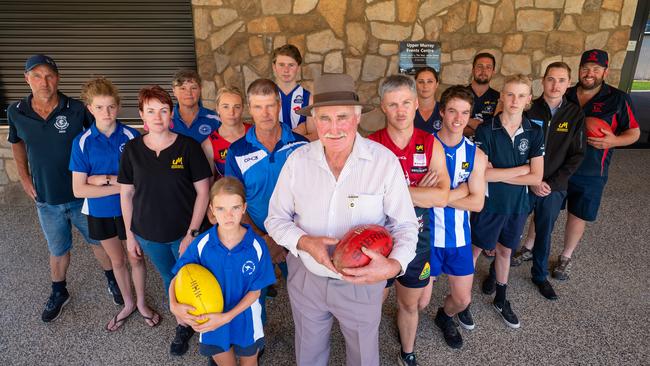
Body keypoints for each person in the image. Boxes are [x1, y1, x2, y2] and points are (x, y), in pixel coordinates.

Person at [265, 74, 419, 366]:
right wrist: (304, 241)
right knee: (308, 356)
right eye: (324, 118)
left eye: (342, 117)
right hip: (306, 279)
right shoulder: (298, 162)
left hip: (362, 284)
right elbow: (276, 218)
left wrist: (394, 265)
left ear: (358, 116)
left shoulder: (383, 162)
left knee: (363, 357)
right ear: (313, 120)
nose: (333, 128)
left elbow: (405, 225)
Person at [7, 54, 118, 323]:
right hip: (46, 198)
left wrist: (98, 178)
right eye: (36, 76)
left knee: (99, 243)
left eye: (49, 76)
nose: (43, 82)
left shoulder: (77, 108)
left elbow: (99, 138)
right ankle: (59, 291)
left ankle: (114, 280)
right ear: (27, 79)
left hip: (83, 196)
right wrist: (23, 176)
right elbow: (17, 142)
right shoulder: (16, 111)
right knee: (58, 250)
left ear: (57, 78)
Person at [118, 85, 212, 355]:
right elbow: (127, 194)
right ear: (142, 115)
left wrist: (191, 234)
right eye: (151, 111)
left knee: (198, 280)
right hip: (149, 235)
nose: (157, 117)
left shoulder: (189, 147)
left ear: (171, 113)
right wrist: (131, 235)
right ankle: (183, 324)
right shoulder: (132, 150)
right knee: (171, 279)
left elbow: (203, 191)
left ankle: (209, 327)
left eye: (163, 110)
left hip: (187, 234)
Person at [368, 75, 450, 365]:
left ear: (416, 104)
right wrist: (418, 192)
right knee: (370, 304)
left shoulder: (430, 143)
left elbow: (441, 197)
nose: (400, 110)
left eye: (405, 102)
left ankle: (407, 352)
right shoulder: (371, 144)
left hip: (418, 238)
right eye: (393, 104)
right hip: (377, 242)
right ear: (383, 107)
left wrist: (392, 192)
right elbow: (365, 196)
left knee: (411, 303)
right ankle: (366, 351)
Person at [70, 77, 161, 331]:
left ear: (118, 106)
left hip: (129, 211)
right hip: (100, 213)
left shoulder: (132, 136)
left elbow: (143, 182)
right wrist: (121, 184)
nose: (106, 112)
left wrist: (104, 180)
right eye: (99, 107)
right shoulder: (82, 142)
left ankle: (142, 303)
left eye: (110, 106)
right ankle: (128, 303)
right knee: (117, 261)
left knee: (135, 257)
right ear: (89, 108)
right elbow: (79, 189)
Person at [548, 49, 639, 280]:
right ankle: (529, 247)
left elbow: (634, 133)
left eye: (596, 69)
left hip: (591, 170)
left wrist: (615, 140)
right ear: (579, 70)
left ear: (605, 72)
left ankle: (565, 257)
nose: (590, 73)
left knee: (577, 214)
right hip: (558, 165)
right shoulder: (564, 94)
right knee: (545, 208)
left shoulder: (618, 98)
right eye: (586, 68)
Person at [225, 78, 308, 319]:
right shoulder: (238, 151)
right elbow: (235, 201)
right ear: (250, 108)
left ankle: (306, 342)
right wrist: (263, 239)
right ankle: (256, 343)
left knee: (303, 294)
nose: (265, 113)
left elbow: (310, 195)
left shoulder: (301, 145)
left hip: (294, 235)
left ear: (279, 106)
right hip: (255, 235)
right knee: (254, 298)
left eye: (271, 105)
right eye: (259, 107)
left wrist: (283, 239)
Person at [170, 177, 275, 366]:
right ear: (211, 210)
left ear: (244, 208)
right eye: (221, 209)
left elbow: (256, 291)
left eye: (235, 207)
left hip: (246, 318)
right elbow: (180, 276)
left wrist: (226, 317)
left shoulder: (257, 246)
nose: (228, 215)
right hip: (210, 318)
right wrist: (173, 304)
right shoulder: (202, 244)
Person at [471, 75, 545, 329]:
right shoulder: (485, 129)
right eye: (510, 94)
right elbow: (481, 174)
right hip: (489, 204)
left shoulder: (535, 131)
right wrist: (521, 169)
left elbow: (536, 176)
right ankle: (463, 300)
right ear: (501, 96)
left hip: (517, 206)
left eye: (521, 95)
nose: (515, 100)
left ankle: (501, 298)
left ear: (528, 100)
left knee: (505, 251)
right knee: (476, 249)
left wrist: (505, 172)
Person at [510, 62, 585, 300]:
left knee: (544, 231)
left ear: (568, 84)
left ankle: (540, 276)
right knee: (510, 229)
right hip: (524, 182)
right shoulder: (528, 110)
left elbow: (577, 155)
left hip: (552, 187)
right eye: (551, 79)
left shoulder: (574, 114)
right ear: (542, 81)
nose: (555, 85)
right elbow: (515, 148)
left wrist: (550, 183)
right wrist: (530, 179)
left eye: (561, 80)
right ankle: (496, 274)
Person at [431, 86, 487, 348]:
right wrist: (460, 191)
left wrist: (441, 196)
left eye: (465, 113)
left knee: (463, 300)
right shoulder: (425, 145)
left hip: (459, 238)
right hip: (427, 237)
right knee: (416, 301)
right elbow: (413, 196)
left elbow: (476, 204)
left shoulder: (475, 155)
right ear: (442, 111)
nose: (457, 119)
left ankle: (444, 316)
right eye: (452, 111)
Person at [202, 86, 252, 178]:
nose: (231, 112)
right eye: (225, 107)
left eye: (237, 107)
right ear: (217, 108)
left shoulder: (255, 132)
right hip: (229, 191)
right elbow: (209, 184)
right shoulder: (209, 144)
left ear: (242, 108)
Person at [271, 44, 317, 141]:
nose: (286, 70)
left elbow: (314, 137)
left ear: (298, 68)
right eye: (281, 64)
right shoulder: (266, 96)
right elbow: (263, 135)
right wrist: (298, 133)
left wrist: (284, 138)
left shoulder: (308, 98)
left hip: (301, 154)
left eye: (291, 65)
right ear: (274, 67)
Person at [170, 69, 221, 143]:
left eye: (193, 88)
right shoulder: (166, 119)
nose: (188, 93)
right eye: (183, 88)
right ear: (174, 91)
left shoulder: (216, 120)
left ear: (200, 90)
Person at [465, 53, 500, 136]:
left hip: (487, 148)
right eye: (480, 66)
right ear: (473, 69)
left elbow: (497, 130)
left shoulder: (499, 98)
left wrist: (466, 121)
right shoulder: (459, 94)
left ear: (493, 71)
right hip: (461, 146)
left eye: (488, 67)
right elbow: (451, 125)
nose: (483, 71)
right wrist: (472, 122)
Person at [413, 66, 442, 134]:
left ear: (436, 84)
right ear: (415, 85)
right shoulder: (407, 110)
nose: (425, 86)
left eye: (430, 81)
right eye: (420, 82)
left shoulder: (444, 110)